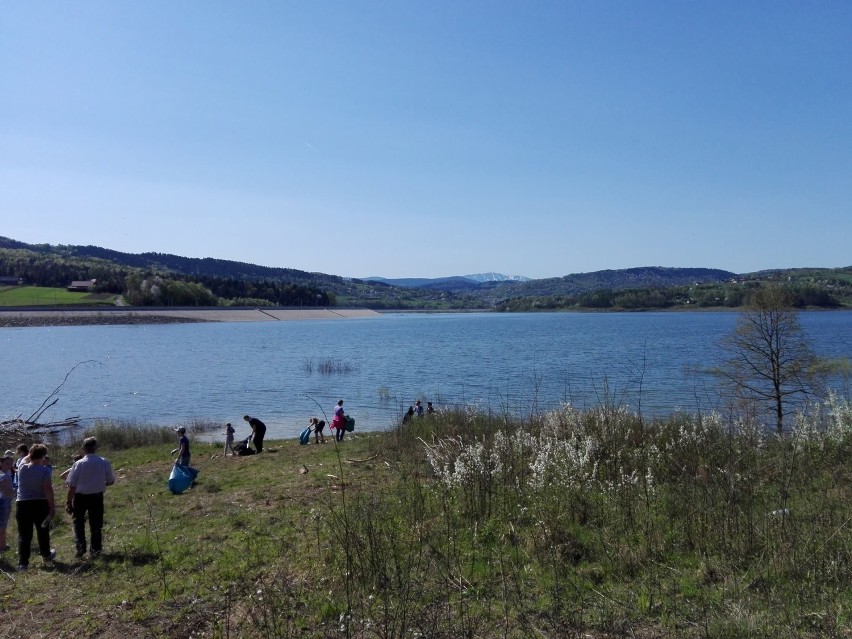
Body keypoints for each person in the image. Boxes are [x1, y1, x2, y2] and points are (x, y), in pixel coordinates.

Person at [65, 437, 115, 559]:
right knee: (96, 524)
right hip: (97, 497)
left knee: (78, 523)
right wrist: (100, 483)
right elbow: (110, 481)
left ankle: (81, 547)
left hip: (80, 497)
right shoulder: (104, 462)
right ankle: (95, 550)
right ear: (95, 448)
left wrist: (68, 501)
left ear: (83, 449)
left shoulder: (78, 464)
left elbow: (71, 485)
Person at [15, 443, 56, 570]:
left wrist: (32, 452)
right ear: (43, 456)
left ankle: (23, 563)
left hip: (22, 504)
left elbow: (26, 459)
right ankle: (46, 555)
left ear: (30, 454)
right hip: (40, 503)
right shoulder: (45, 470)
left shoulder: (21, 467)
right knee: (42, 531)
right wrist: (52, 507)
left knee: (24, 535)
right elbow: (48, 489)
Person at [0, 452, 14, 552]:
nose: (9, 465)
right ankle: (2, 547)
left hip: (4, 501)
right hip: (4, 502)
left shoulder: (5, 474)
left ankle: (3, 544)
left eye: (11, 463)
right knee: (2, 526)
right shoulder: (5, 476)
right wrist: (17, 491)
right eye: (7, 463)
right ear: (2, 463)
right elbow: (6, 492)